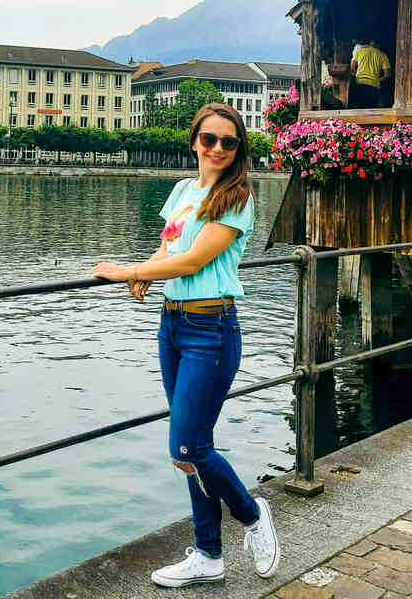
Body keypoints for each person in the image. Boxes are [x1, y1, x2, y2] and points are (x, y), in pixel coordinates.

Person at [92, 103, 280, 588]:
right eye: (209, 139)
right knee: (191, 449)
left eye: (229, 142)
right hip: (172, 327)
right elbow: (170, 249)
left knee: (188, 444)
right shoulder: (182, 191)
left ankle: (252, 514)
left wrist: (129, 272)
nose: (217, 149)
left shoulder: (238, 198)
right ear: (194, 140)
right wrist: (147, 273)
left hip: (210, 330)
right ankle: (208, 555)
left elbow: (194, 261)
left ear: (239, 150)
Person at [350, 38, 390, 109]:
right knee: (370, 109)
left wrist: (356, 75)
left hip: (359, 83)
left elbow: (352, 66)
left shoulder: (360, 51)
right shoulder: (383, 55)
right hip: (373, 86)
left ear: (370, 43)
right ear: (379, 45)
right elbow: (387, 75)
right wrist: (378, 80)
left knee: (358, 108)